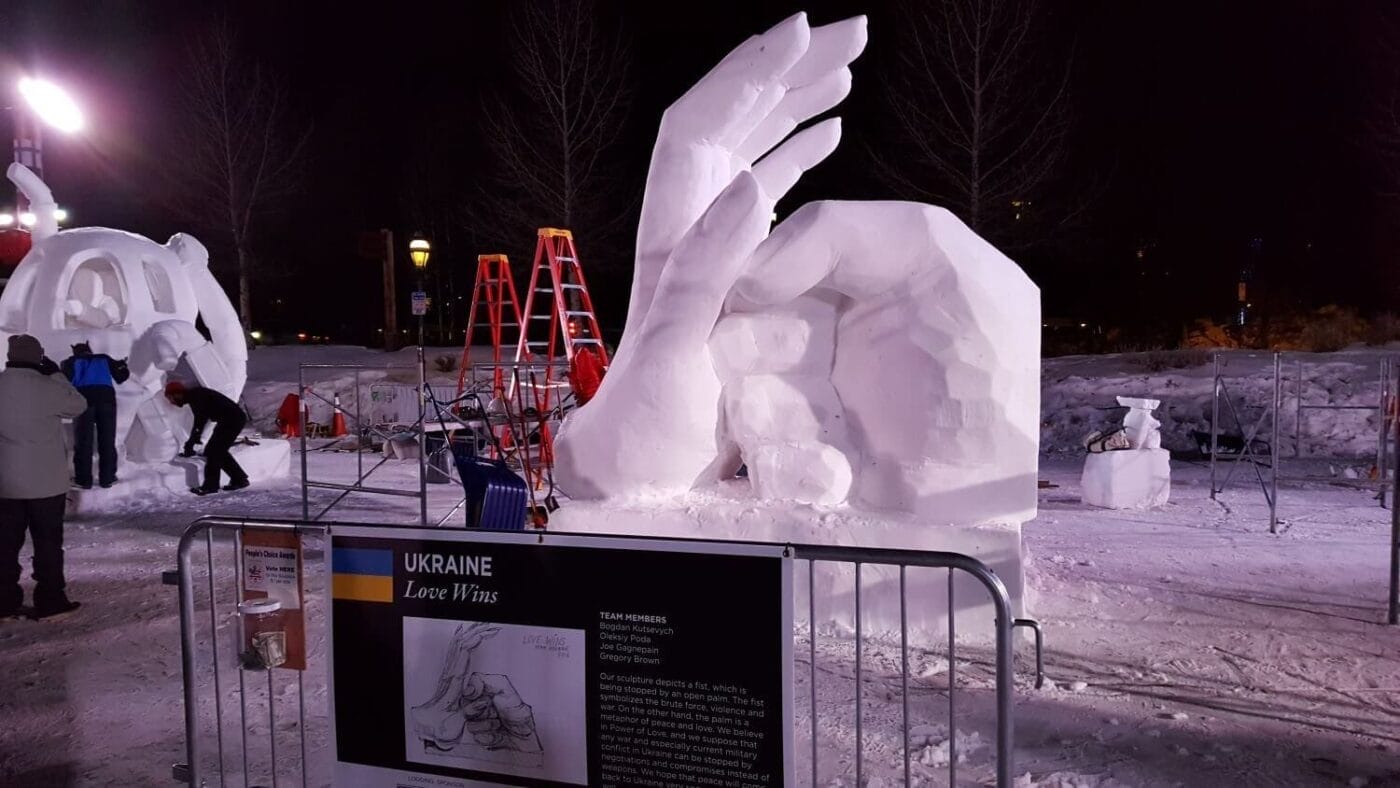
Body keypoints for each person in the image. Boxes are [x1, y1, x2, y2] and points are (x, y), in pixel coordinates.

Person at [0, 334, 89, 619]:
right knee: (48, 544)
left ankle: (4, 600)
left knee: (4, 545)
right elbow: (79, 405)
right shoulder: (48, 387)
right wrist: (58, 376)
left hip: (5, 484)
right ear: (39, 357)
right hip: (46, 485)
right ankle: (50, 599)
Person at [62, 341, 130, 490]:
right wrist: (123, 365)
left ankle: (83, 480)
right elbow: (121, 377)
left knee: (83, 441)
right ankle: (108, 478)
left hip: (83, 400)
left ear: (74, 351)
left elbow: (64, 381)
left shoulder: (71, 361)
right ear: (89, 350)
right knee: (107, 439)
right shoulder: (104, 358)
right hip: (106, 400)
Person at [165, 381, 251, 496]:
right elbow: (200, 420)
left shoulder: (196, 396)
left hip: (232, 420)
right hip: (231, 419)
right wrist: (193, 440)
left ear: (177, 394)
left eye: (170, 398)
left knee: (213, 452)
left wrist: (191, 442)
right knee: (217, 450)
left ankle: (211, 486)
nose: (171, 402)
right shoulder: (195, 395)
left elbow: (200, 420)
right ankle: (239, 479)